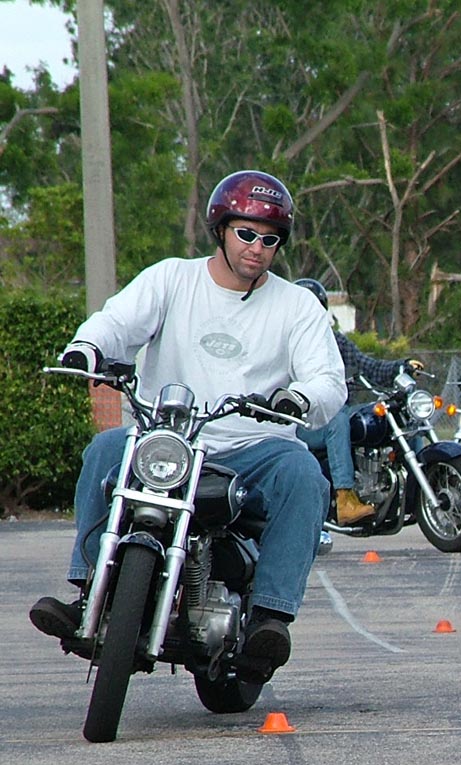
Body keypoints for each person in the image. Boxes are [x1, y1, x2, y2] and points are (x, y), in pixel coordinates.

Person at [29, 170, 347, 685]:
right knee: (104, 449)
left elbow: (328, 380)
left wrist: (299, 397)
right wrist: (88, 347)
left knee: (305, 475)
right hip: (168, 437)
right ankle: (87, 592)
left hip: (253, 445)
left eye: (270, 240)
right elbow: (116, 322)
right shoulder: (171, 279)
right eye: (246, 233)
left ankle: (270, 618)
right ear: (220, 229)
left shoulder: (298, 306)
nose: (257, 248)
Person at [293, 277, 422, 526]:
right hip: (301, 424)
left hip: (339, 413)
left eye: (315, 307)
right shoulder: (287, 344)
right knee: (338, 419)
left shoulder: (336, 342)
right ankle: (345, 498)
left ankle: (413, 492)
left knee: (396, 414)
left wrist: (402, 366)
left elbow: (370, 367)